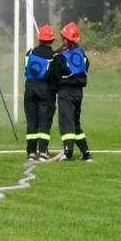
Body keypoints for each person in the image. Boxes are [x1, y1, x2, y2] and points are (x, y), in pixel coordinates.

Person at [49, 22, 91, 162]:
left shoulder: (61, 55)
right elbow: (86, 68)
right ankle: (86, 152)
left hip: (65, 92)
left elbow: (54, 74)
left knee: (66, 122)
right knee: (75, 122)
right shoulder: (81, 53)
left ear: (65, 38)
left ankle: (68, 153)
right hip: (78, 92)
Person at [23, 24, 58, 162]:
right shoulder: (54, 56)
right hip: (46, 91)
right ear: (52, 40)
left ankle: (31, 152)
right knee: (44, 121)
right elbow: (54, 76)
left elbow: (26, 70)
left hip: (30, 90)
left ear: (39, 39)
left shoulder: (30, 53)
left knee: (31, 121)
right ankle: (43, 152)